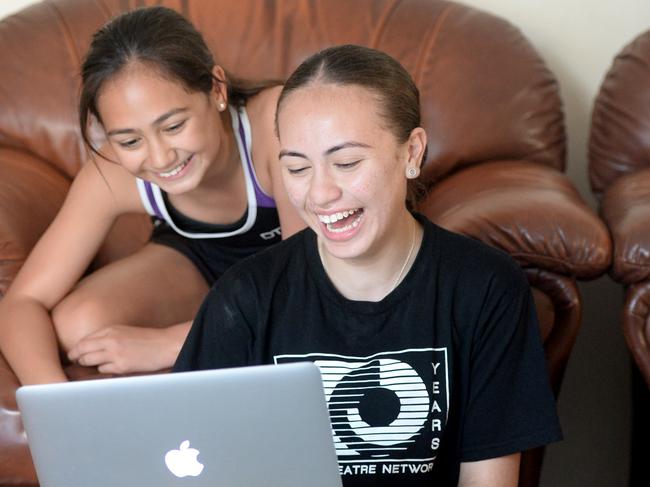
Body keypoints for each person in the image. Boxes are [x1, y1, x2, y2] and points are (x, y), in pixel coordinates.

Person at [173, 44, 562, 486]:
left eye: (346, 162)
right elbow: (187, 457)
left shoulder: (485, 288)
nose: (320, 194)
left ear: (411, 153)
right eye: (297, 168)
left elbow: (487, 479)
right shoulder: (245, 297)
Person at [0, 6, 304, 385]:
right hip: (197, 264)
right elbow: (23, 302)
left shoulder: (278, 121)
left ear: (217, 89)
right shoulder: (109, 172)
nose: (160, 157)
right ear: (104, 131)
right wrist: (51, 403)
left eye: (174, 125)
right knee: (76, 327)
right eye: (129, 140)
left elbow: (311, 287)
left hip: (291, 269)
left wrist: (169, 343)